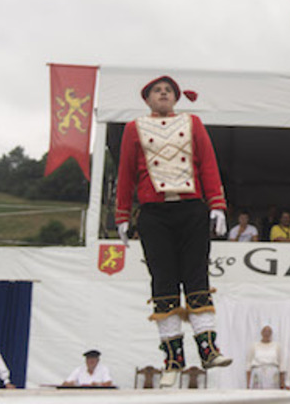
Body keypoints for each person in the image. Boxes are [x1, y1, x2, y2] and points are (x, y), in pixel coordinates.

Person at [115, 75, 233, 387]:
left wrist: (218, 204)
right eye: (158, 90)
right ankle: (172, 359)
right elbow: (125, 173)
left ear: (175, 97)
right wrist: (122, 214)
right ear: (147, 99)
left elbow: (208, 164)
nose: (164, 94)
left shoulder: (193, 122)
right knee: (163, 282)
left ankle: (208, 349)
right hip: (154, 214)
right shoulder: (133, 128)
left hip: (191, 208)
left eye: (168, 90)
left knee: (197, 278)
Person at [247, 325, 284, 389]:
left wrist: (282, 382)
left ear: (271, 334)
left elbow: (281, 364)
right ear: (261, 333)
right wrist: (248, 382)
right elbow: (248, 364)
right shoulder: (254, 346)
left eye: (269, 332)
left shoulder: (276, 346)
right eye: (265, 331)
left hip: (272, 374)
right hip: (258, 374)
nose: (266, 333)